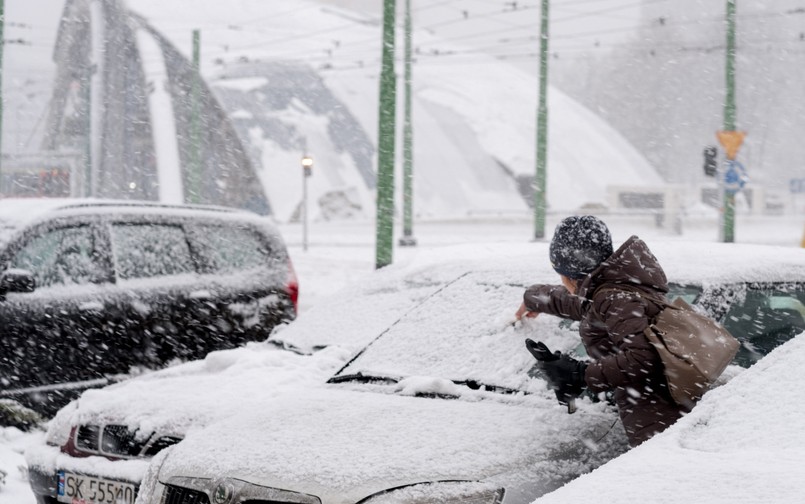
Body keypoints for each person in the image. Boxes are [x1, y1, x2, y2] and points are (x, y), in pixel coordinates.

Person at [515, 215, 688, 447]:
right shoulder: (614, 289)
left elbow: (645, 359)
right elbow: (584, 306)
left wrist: (580, 374)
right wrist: (535, 298)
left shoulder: (614, 297)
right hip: (660, 413)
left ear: (566, 273)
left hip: (657, 419)